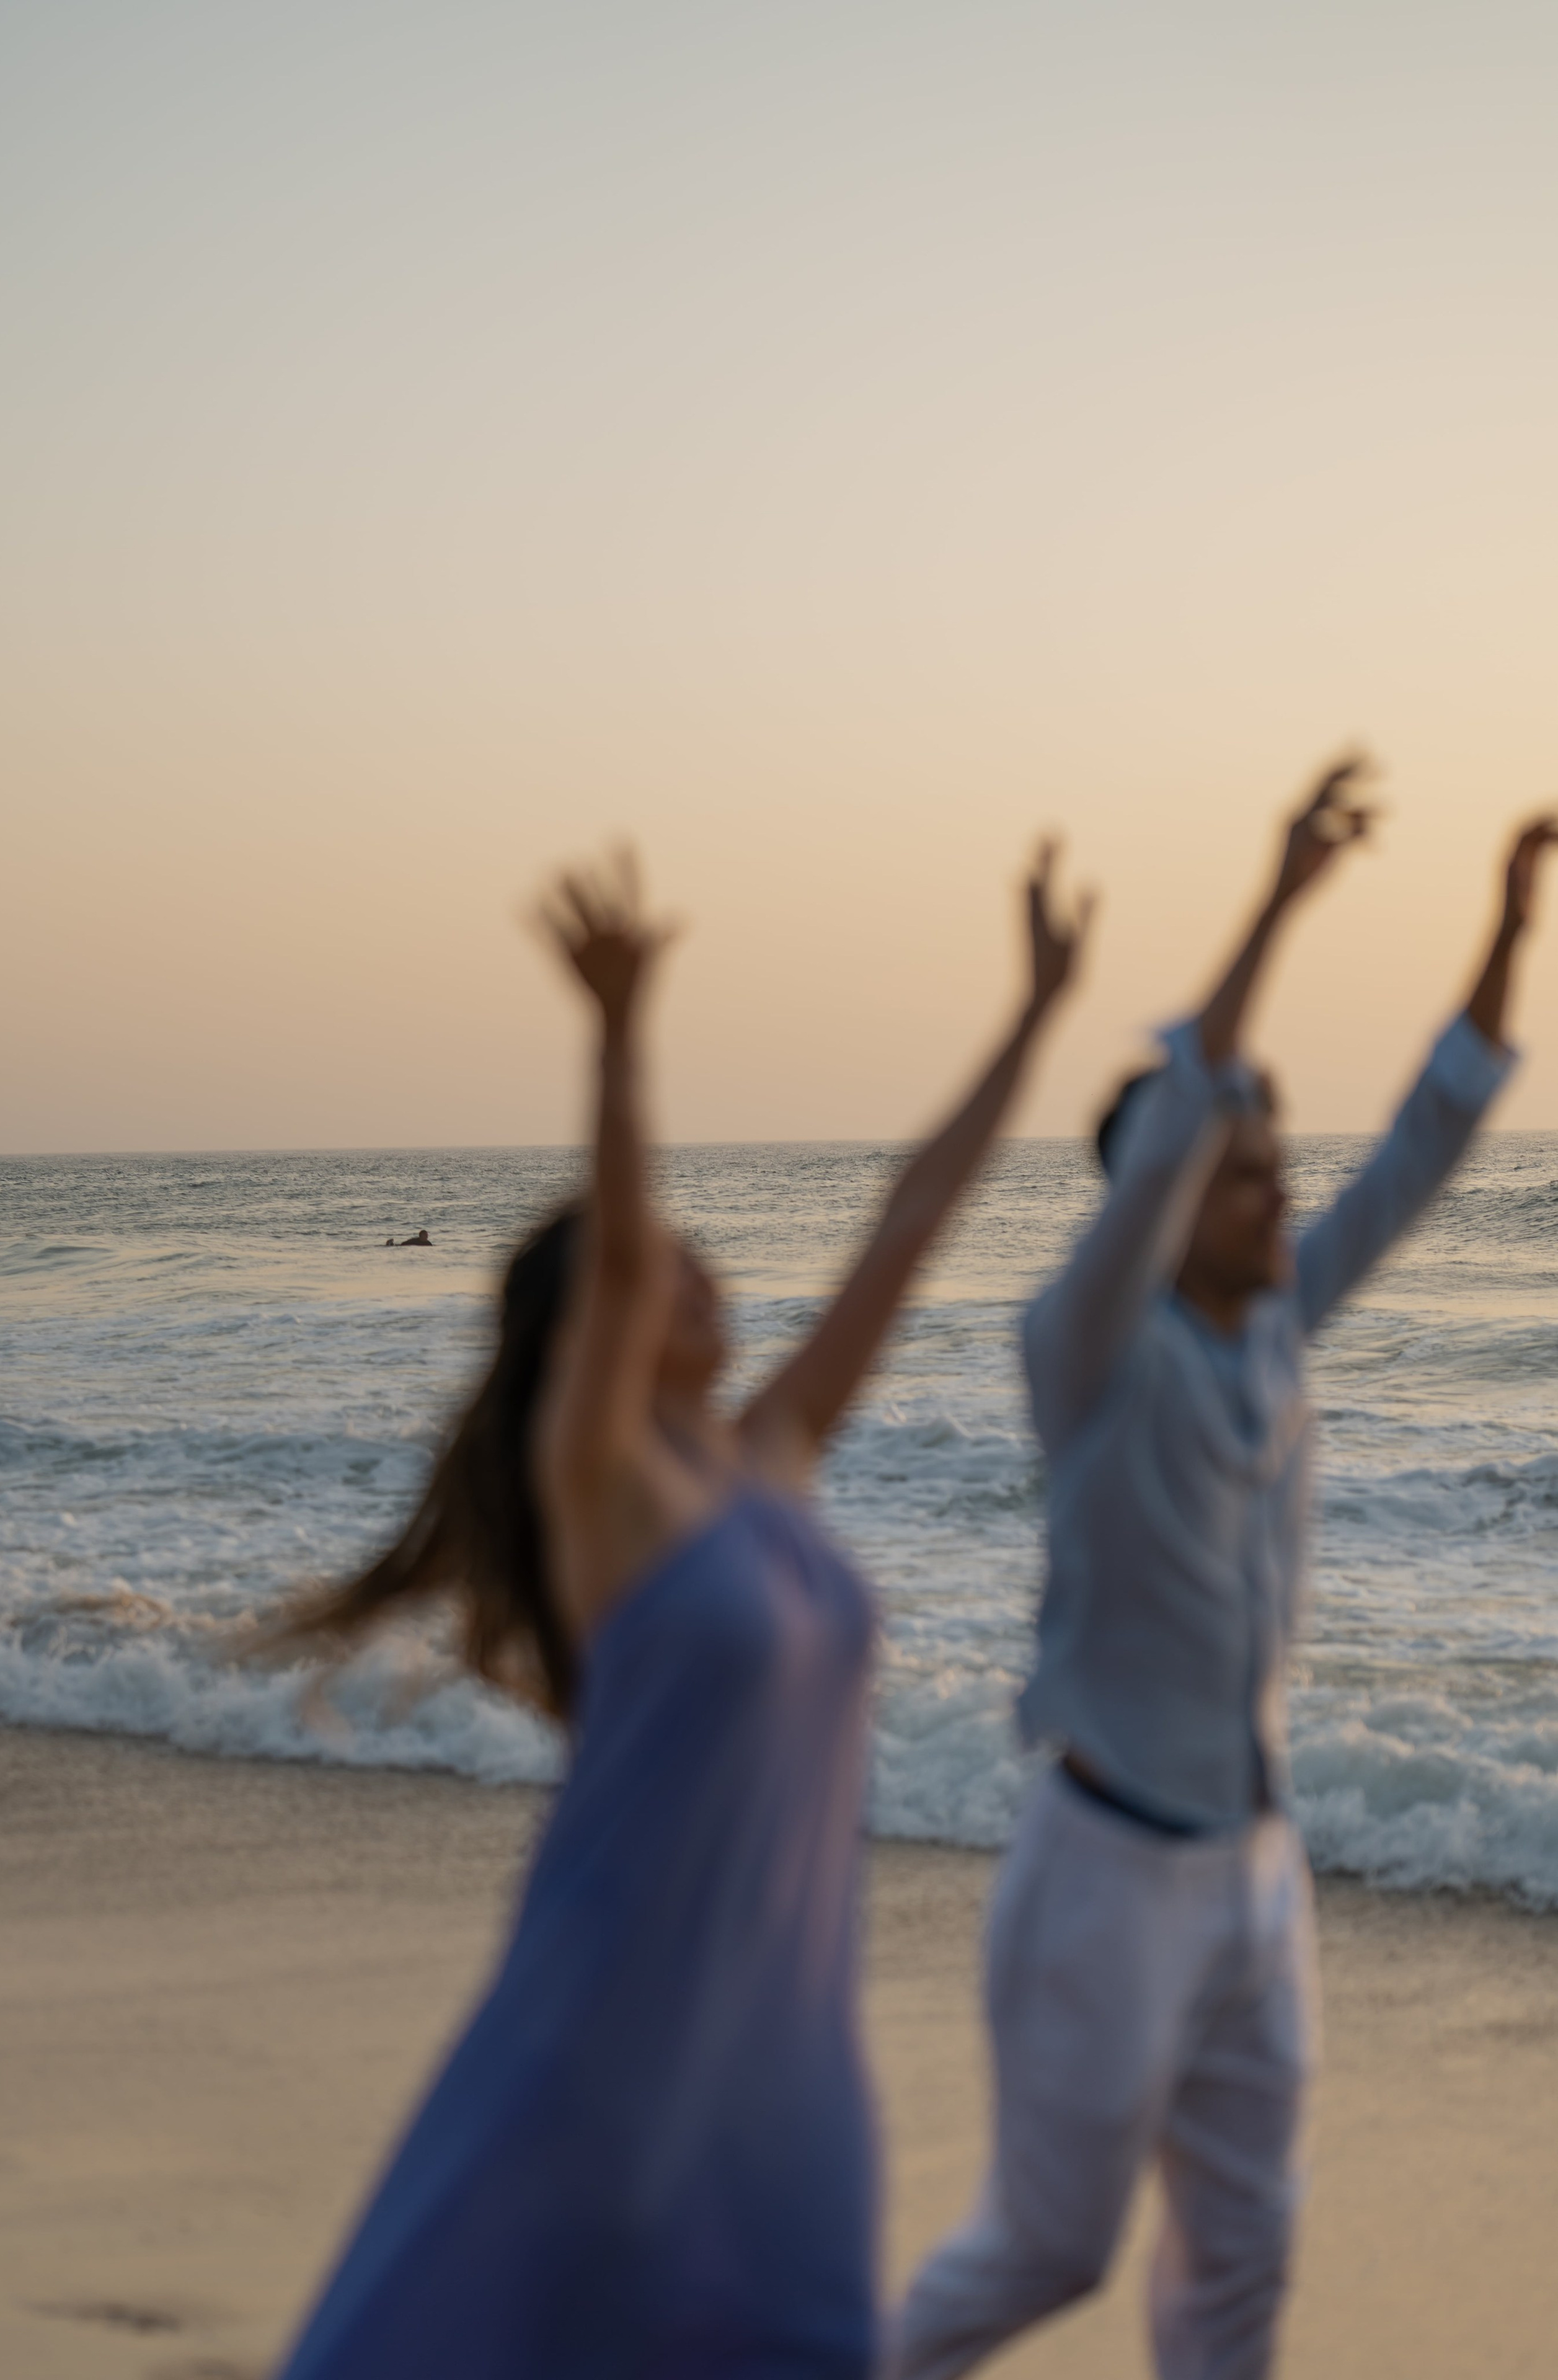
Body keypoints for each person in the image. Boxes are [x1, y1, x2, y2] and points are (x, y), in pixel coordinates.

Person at [268, 840, 1093, 2380]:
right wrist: (621, 1035)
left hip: (787, 2057)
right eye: (668, 1271)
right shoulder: (608, 1491)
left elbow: (906, 1223)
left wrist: (1034, 1013)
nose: (707, 1284)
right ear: (613, 1321)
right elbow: (622, 1245)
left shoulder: (766, 1464)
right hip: (614, 2032)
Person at [894, 767, 1557, 2380]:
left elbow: (1423, 1144)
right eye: (1253, 1165)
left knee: (1241, 2265)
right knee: (1050, 2246)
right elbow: (1184, 1110)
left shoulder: (1267, 1317)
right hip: (1107, 1868)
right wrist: (1274, 903)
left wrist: (1510, 920)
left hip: (1258, 1874)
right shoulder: (1086, 1350)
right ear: (1171, 1196)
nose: (1286, 1188)